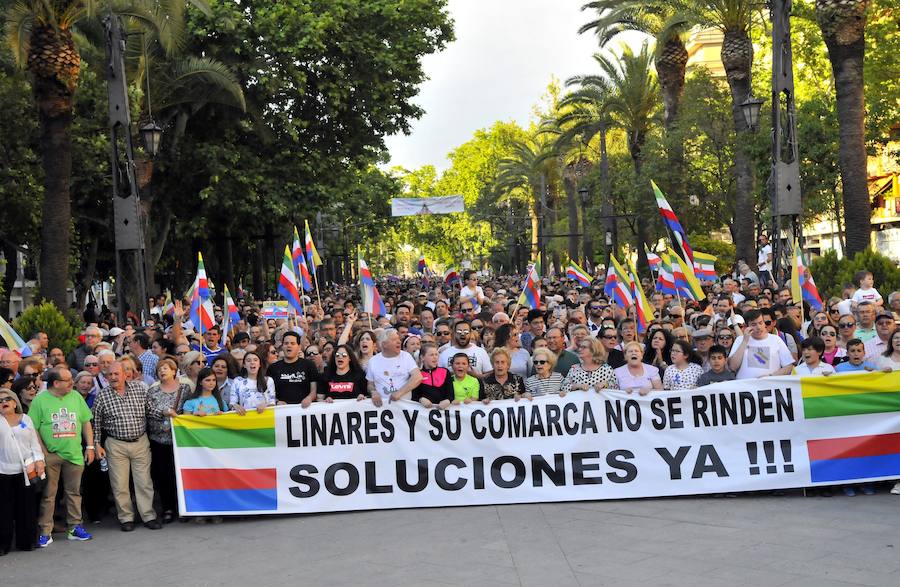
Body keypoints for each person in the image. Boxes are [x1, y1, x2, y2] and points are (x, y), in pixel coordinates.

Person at [28, 368, 95, 547]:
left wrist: (89, 446)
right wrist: (42, 451)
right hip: (51, 455)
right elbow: (32, 427)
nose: (72, 382)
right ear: (56, 383)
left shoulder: (75, 396)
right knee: (49, 495)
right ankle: (45, 531)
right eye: (67, 380)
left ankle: (75, 527)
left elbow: (85, 421)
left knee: (74, 492)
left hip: (74, 454)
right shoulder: (40, 400)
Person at [91, 361, 161, 532]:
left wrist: (169, 414)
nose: (113, 377)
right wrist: (96, 444)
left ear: (125, 374)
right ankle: (126, 518)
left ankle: (148, 516)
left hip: (140, 442)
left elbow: (151, 410)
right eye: (110, 375)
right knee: (119, 484)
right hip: (116, 445)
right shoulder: (102, 396)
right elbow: (96, 423)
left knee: (144, 482)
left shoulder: (139, 389)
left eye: (116, 374)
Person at [145, 357, 189, 523]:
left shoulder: (184, 389)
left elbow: (189, 409)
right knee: (164, 476)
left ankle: (182, 508)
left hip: (180, 440)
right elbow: (149, 411)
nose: (162, 371)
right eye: (160, 369)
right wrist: (164, 412)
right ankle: (168, 508)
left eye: (166, 368)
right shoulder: (153, 391)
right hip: (159, 440)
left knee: (179, 475)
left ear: (174, 370)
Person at [0, 389, 43, 555]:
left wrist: (39, 460)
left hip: (26, 470)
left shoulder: (26, 419)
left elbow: (34, 443)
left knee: (26, 508)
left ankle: (26, 541)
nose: (4, 402)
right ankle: (3, 544)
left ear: (14, 401)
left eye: (7, 399)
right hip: (3, 471)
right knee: (4, 510)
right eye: (0, 400)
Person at [727, 310, 795, 379]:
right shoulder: (740, 340)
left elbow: (789, 366)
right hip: (746, 387)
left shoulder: (776, 340)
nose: (758, 327)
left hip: (770, 386)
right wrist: (745, 341)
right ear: (746, 326)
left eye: (760, 323)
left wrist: (770, 377)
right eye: (754, 324)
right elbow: (732, 367)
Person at [367, 329, 422, 405]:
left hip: (404, 407)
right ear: (384, 344)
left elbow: (417, 377)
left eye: (398, 339)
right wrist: (373, 392)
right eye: (394, 340)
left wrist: (399, 393)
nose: (399, 342)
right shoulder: (373, 361)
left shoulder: (406, 356)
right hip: (382, 408)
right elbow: (370, 384)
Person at [268, 331, 318, 406]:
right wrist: (277, 401)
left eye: (292, 343)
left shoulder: (309, 365)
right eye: (286, 343)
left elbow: (314, 391)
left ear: (299, 347)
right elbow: (268, 392)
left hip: (305, 410)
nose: (289, 346)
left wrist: (309, 398)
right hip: (281, 411)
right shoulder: (273, 368)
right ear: (282, 346)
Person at [413, 343, 453, 409]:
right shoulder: (417, 374)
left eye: (436, 354)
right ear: (422, 357)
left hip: (443, 413)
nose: (435, 357)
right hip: (423, 414)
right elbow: (414, 396)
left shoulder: (445, 372)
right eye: (431, 355)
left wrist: (448, 400)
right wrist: (421, 399)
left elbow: (451, 394)